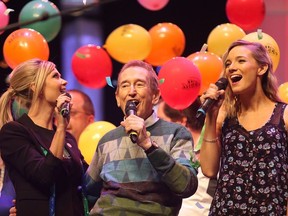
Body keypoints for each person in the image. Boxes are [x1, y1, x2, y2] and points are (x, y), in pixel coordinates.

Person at [83, 60, 198, 215]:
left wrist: (148, 145)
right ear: (117, 98)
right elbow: (88, 191)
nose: (131, 91)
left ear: (155, 96)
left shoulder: (176, 134)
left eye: (139, 84)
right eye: (124, 85)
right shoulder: (107, 140)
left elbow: (186, 186)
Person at [200, 40, 288, 215]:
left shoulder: (283, 114)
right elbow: (209, 169)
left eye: (240, 61)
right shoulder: (226, 116)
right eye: (228, 63)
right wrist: (211, 117)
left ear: (261, 68)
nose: (231, 67)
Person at [0, 58, 89, 216]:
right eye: (55, 76)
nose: (65, 82)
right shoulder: (15, 132)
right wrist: (61, 127)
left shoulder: (68, 138)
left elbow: (86, 181)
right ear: (36, 87)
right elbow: (44, 176)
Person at [156, 99, 217, 216]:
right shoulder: (164, 152)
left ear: (181, 122)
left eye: (162, 121)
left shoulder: (212, 149)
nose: (159, 127)